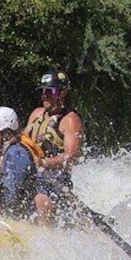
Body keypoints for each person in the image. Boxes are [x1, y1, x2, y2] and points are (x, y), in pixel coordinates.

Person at [23, 68, 84, 224]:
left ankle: (46, 236)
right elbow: (23, 140)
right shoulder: (37, 114)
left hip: (54, 177)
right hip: (31, 170)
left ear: (62, 93)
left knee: (42, 201)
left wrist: (44, 163)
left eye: (50, 91)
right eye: (43, 91)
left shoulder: (70, 120)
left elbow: (71, 156)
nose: (44, 95)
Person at [0, 106, 42, 218]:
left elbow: (12, 194)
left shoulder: (15, 154)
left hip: (24, 214)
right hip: (14, 210)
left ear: (7, 133)